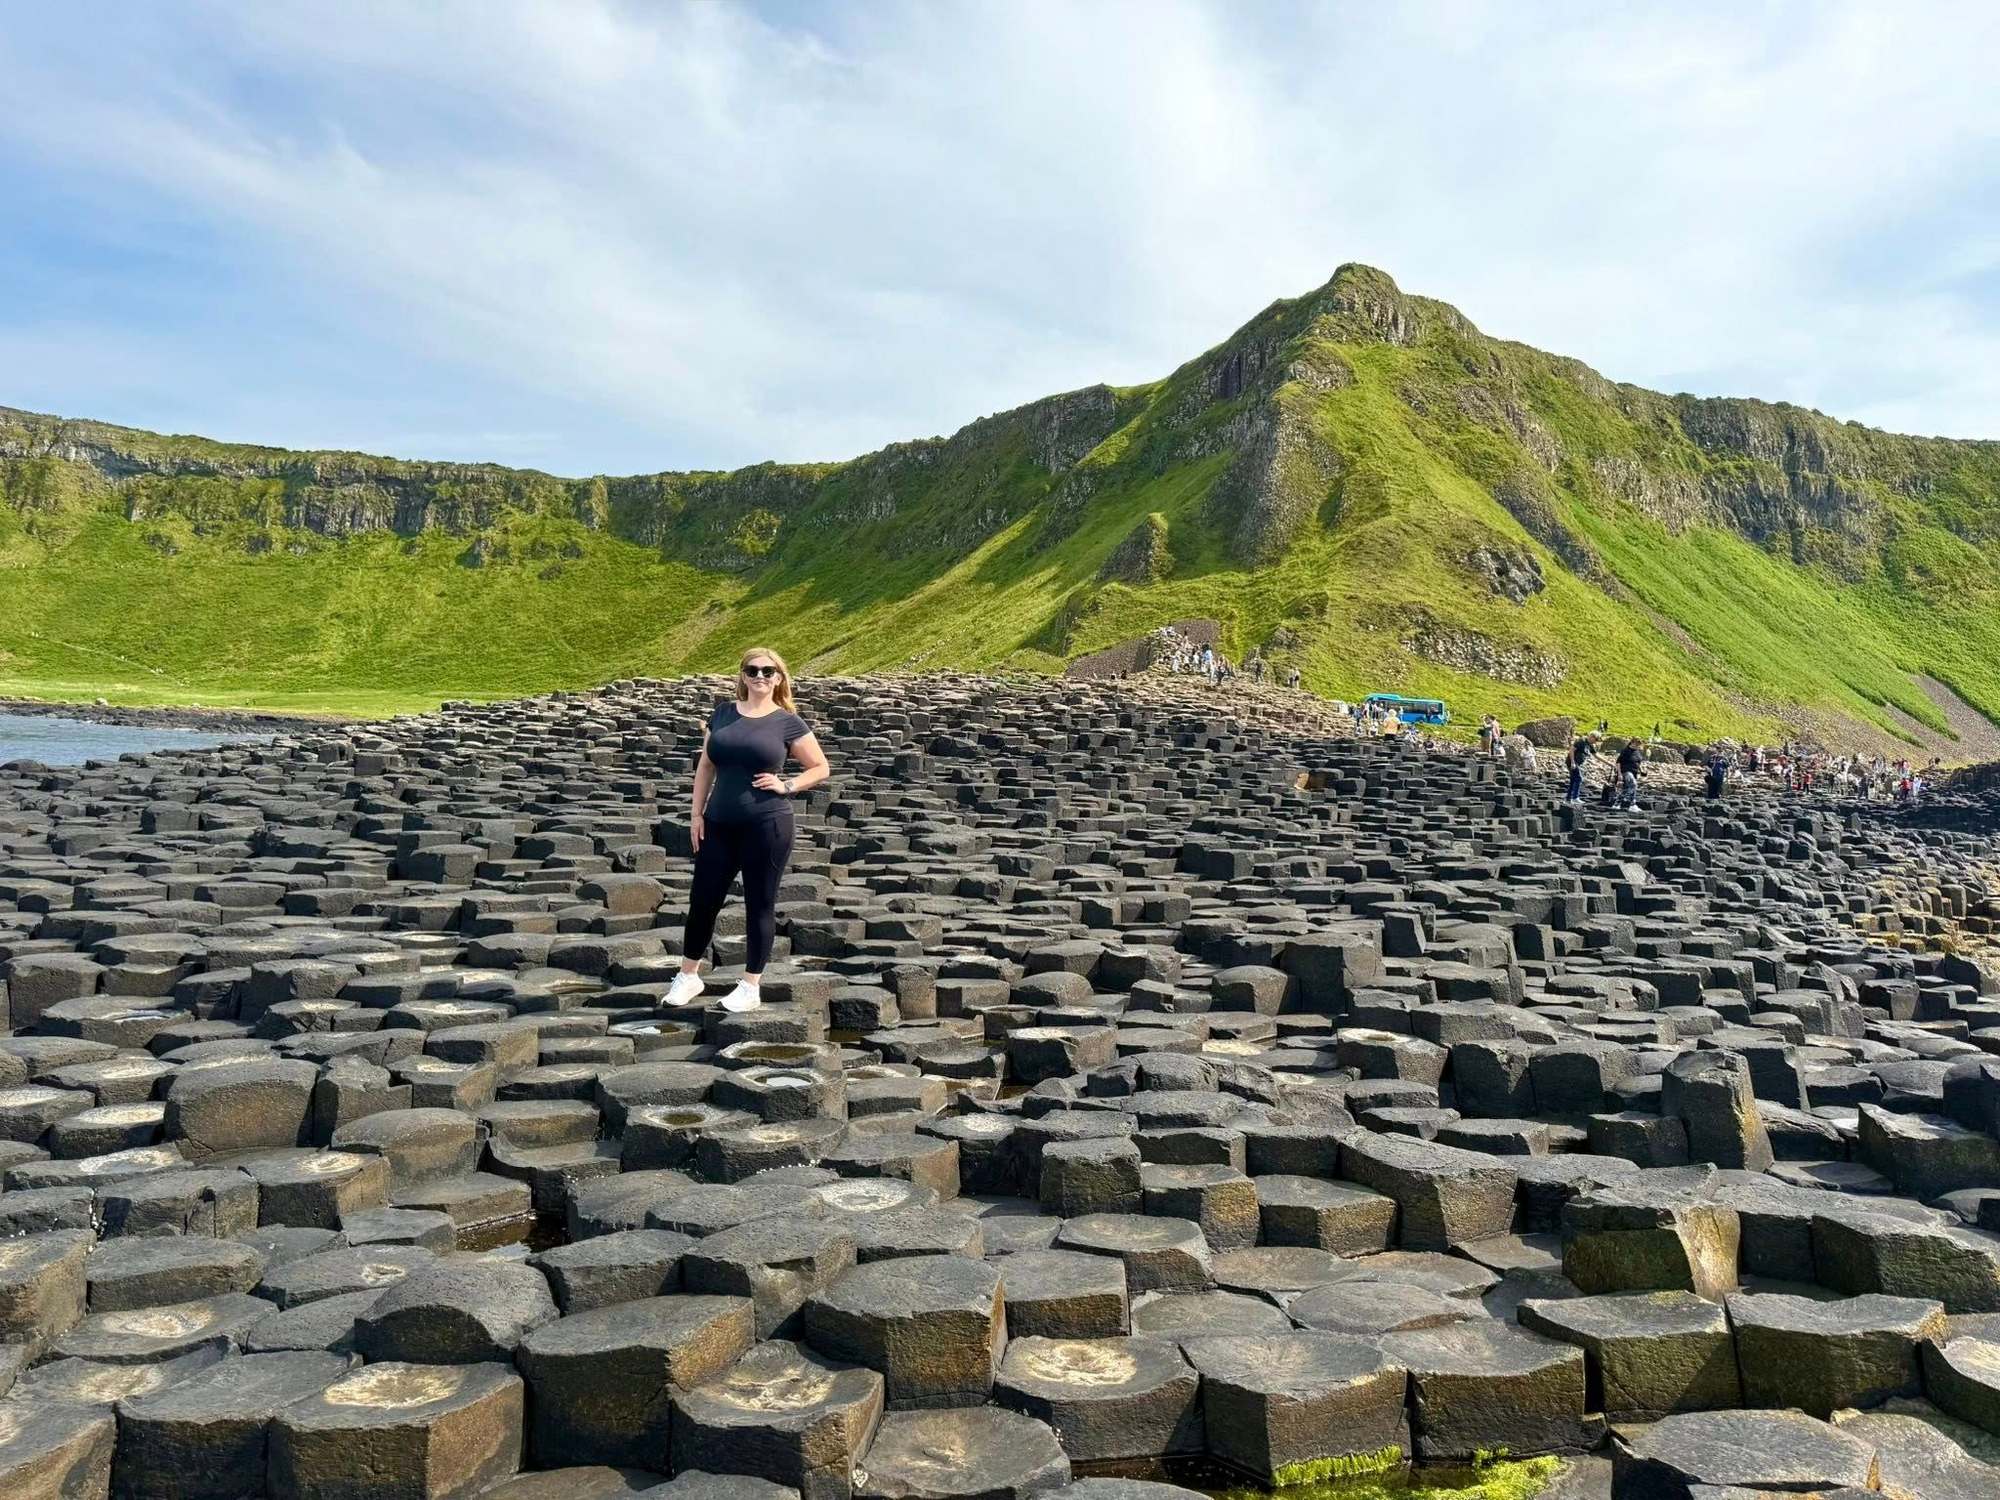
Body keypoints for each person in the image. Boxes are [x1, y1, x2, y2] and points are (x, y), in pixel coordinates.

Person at [666, 647, 830, 1013]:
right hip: (718, 823)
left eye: (768, 671)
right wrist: (696, 815)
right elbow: (706, 766)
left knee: (759, 904)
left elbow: (821, 767)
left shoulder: (787, 722)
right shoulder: (723, 713)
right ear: (742, 675)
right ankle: (688, 976)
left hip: (767, 824)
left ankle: (750, 985)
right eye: (752, 670)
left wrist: (787, 785)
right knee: (702, 900)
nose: (760, 676)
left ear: (778, 678)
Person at [1566, 730, 1595, 803]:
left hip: (1578, 763)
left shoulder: (1590, 745)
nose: (1596, 742)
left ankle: (1568, 799)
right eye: (1596, 739)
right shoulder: (1581, 741)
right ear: (1592, 737)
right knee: (1579, 778)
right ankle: (1575, 797)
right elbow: (1571, 750)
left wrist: (1609, 763)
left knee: (1573, 780)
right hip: (1573, 762)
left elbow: (1596, 755)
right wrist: (1572, 762)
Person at [1615, 737, 1643, 810]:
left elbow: (1638, 763)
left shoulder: (1637, 752)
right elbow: (1618, 762)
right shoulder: (1625, 751)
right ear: (1632, 742)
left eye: (1638, 745)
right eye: (1636, 744)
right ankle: (1632, 804)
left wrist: (1642, 770)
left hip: (1634, 772)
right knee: (1633, 784)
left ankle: (1617, 804)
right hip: (1626, 771)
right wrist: (1619, 774)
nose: (1637, 746)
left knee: (1626, 788)